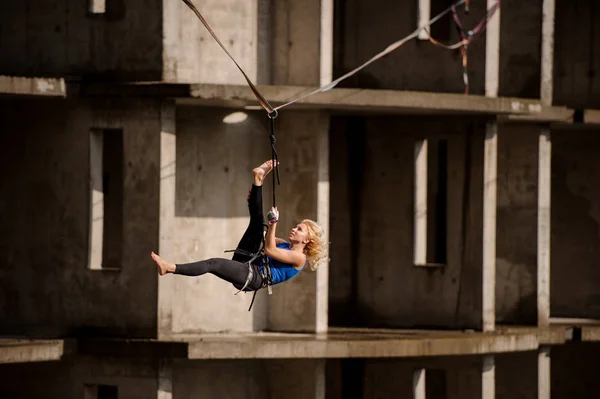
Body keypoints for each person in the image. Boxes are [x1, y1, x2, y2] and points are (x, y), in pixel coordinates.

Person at [150, 160, 327, 292]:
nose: (294, 229)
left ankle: (170, 268)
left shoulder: (299, 258)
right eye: (297, 227)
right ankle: (258, 178)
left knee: (213, 263)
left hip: (252, 277)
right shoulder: (286, 246)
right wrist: (253, 202)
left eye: (300, 230)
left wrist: (274, 224)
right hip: (248, 260)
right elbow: (264, 236)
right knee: (258, 224)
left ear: (306, 241)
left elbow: (270, 250)